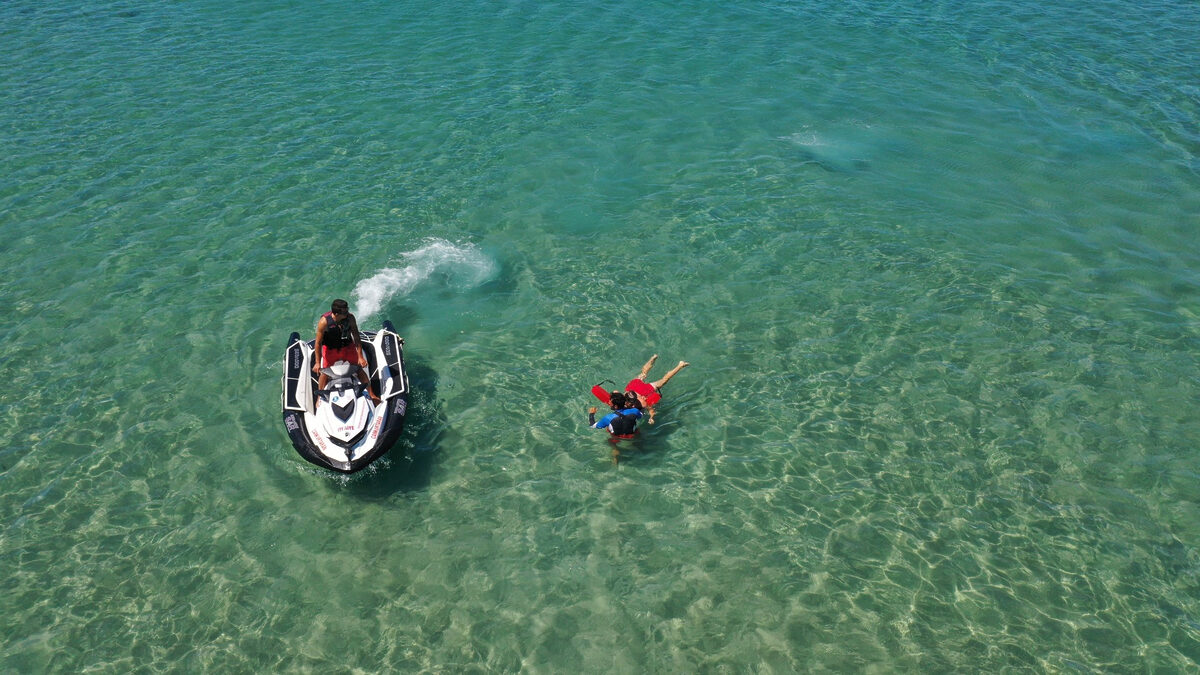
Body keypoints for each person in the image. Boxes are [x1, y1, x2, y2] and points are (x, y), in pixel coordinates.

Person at [312, 299, 380, 403]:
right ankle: (319, 398)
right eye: (344, 312)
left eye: (347, 310)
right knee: (325, 373)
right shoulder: (324, 322)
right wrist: (317, 362)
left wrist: (360, 357)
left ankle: (372, 394)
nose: (347, 313)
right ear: (336, 313)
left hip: (347, 347)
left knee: (358, 369)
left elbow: (356, 337)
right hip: (331, 350)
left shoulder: (350, 318)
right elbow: (317, 343)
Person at [623, 354, 688, 425]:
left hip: (645, 390)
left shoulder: (641, 404)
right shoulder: (626, 400)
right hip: (634, 387)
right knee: (643, 373)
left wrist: (651, 417)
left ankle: (680, 365)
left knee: (664, 380)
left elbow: (651, 411)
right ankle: (653, 358)